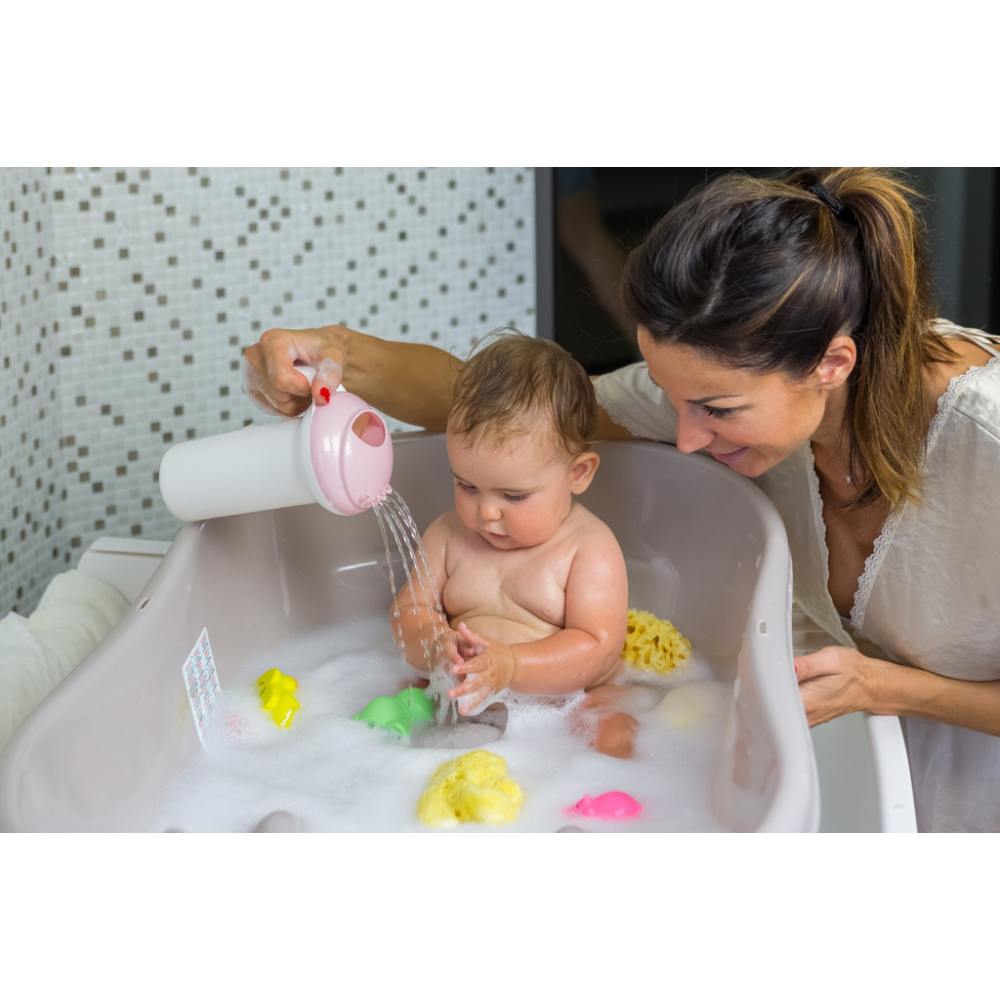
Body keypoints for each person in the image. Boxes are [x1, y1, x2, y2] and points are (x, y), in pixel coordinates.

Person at [242, 168, 1000, 832]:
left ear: (833, 364)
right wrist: (339, 354)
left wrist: (886, 687)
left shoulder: (985, 443)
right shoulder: (726, 377)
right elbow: (517, 422)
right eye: (670, 396)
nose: (687, 439)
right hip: (874, 741)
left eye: (718, 410)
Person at [388, 331, 634, 757]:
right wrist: (434, 645)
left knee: (610, 728)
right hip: (459, 693)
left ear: (578, 474)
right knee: (391, 709)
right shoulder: (446, 535)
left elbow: (598, 651)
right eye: (467, 486)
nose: (486, 512)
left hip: (564, 701)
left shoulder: (588, 549)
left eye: (513, 496)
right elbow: (408, 611)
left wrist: (513, 666)